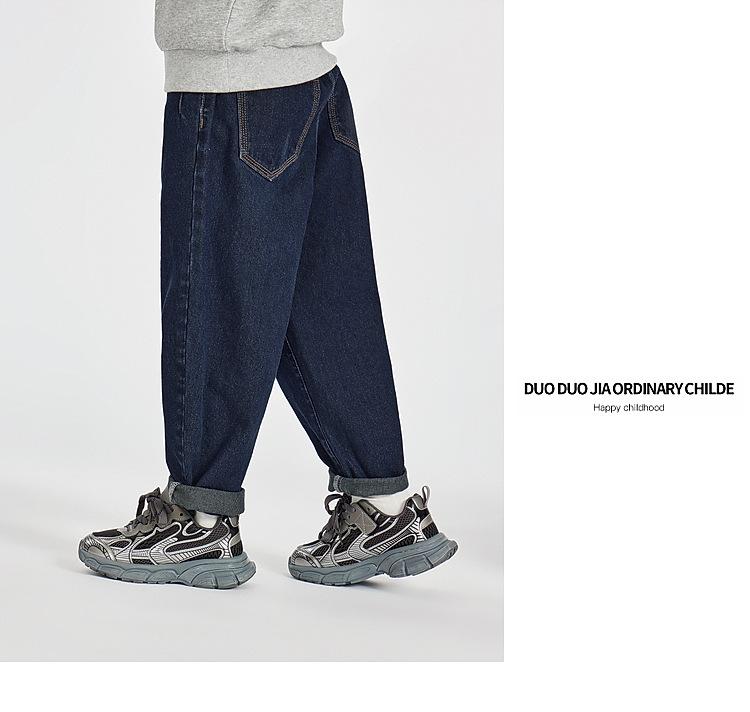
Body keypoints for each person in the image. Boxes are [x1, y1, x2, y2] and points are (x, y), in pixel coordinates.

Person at [78, 0, 457, 588]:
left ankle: (199, 519)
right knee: (324, 303)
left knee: (215, 298)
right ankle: (382, 509)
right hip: (309, 77)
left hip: (233, 77)